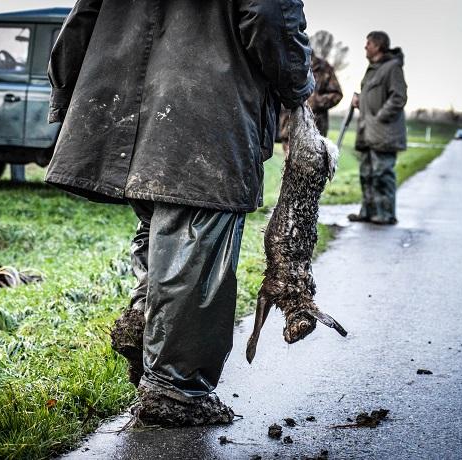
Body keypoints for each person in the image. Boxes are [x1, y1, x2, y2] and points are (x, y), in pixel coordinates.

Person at [45, 1, 314, 426]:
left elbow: (83, 15)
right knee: (195, 243)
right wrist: (297, 85)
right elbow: (269, 15)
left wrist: (65, 92)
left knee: (159, 229)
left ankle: (144, 315)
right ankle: (175, 390)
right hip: (207, 111)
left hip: (130, 110)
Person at [348, 31, 408, 225]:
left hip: (384, 133)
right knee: (366, 174)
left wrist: (379, 117)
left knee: (383, 174)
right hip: (367, 132)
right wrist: (360, 100)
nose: (365, 47)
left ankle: (386, 214)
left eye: (368, 44)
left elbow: (398, 97)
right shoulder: (372, 69)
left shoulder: (392, 68)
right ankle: (367, 211)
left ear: (378, 46)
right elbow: (374, 95)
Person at [278, 53, 343, 152]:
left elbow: (337, 94)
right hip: (289, 131)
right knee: (290, 166)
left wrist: (315, 101)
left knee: (312, 166)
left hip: (314, 133)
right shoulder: (287, 62)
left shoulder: (322, 67)